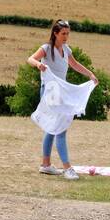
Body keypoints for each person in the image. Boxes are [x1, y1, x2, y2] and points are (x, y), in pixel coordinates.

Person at [27, 20, 98, 180]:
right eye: (63, 33)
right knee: (60, 129)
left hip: (61, 92)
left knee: (52, 128)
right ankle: (67, 168)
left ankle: (46, 165)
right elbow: (30, 59)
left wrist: (90, 75)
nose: (66, 37)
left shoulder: (65, 49)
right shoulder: (46, 48)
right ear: (55, 33)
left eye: (68, 33)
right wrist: (38, 65)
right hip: (50, 92)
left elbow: (74, 64)